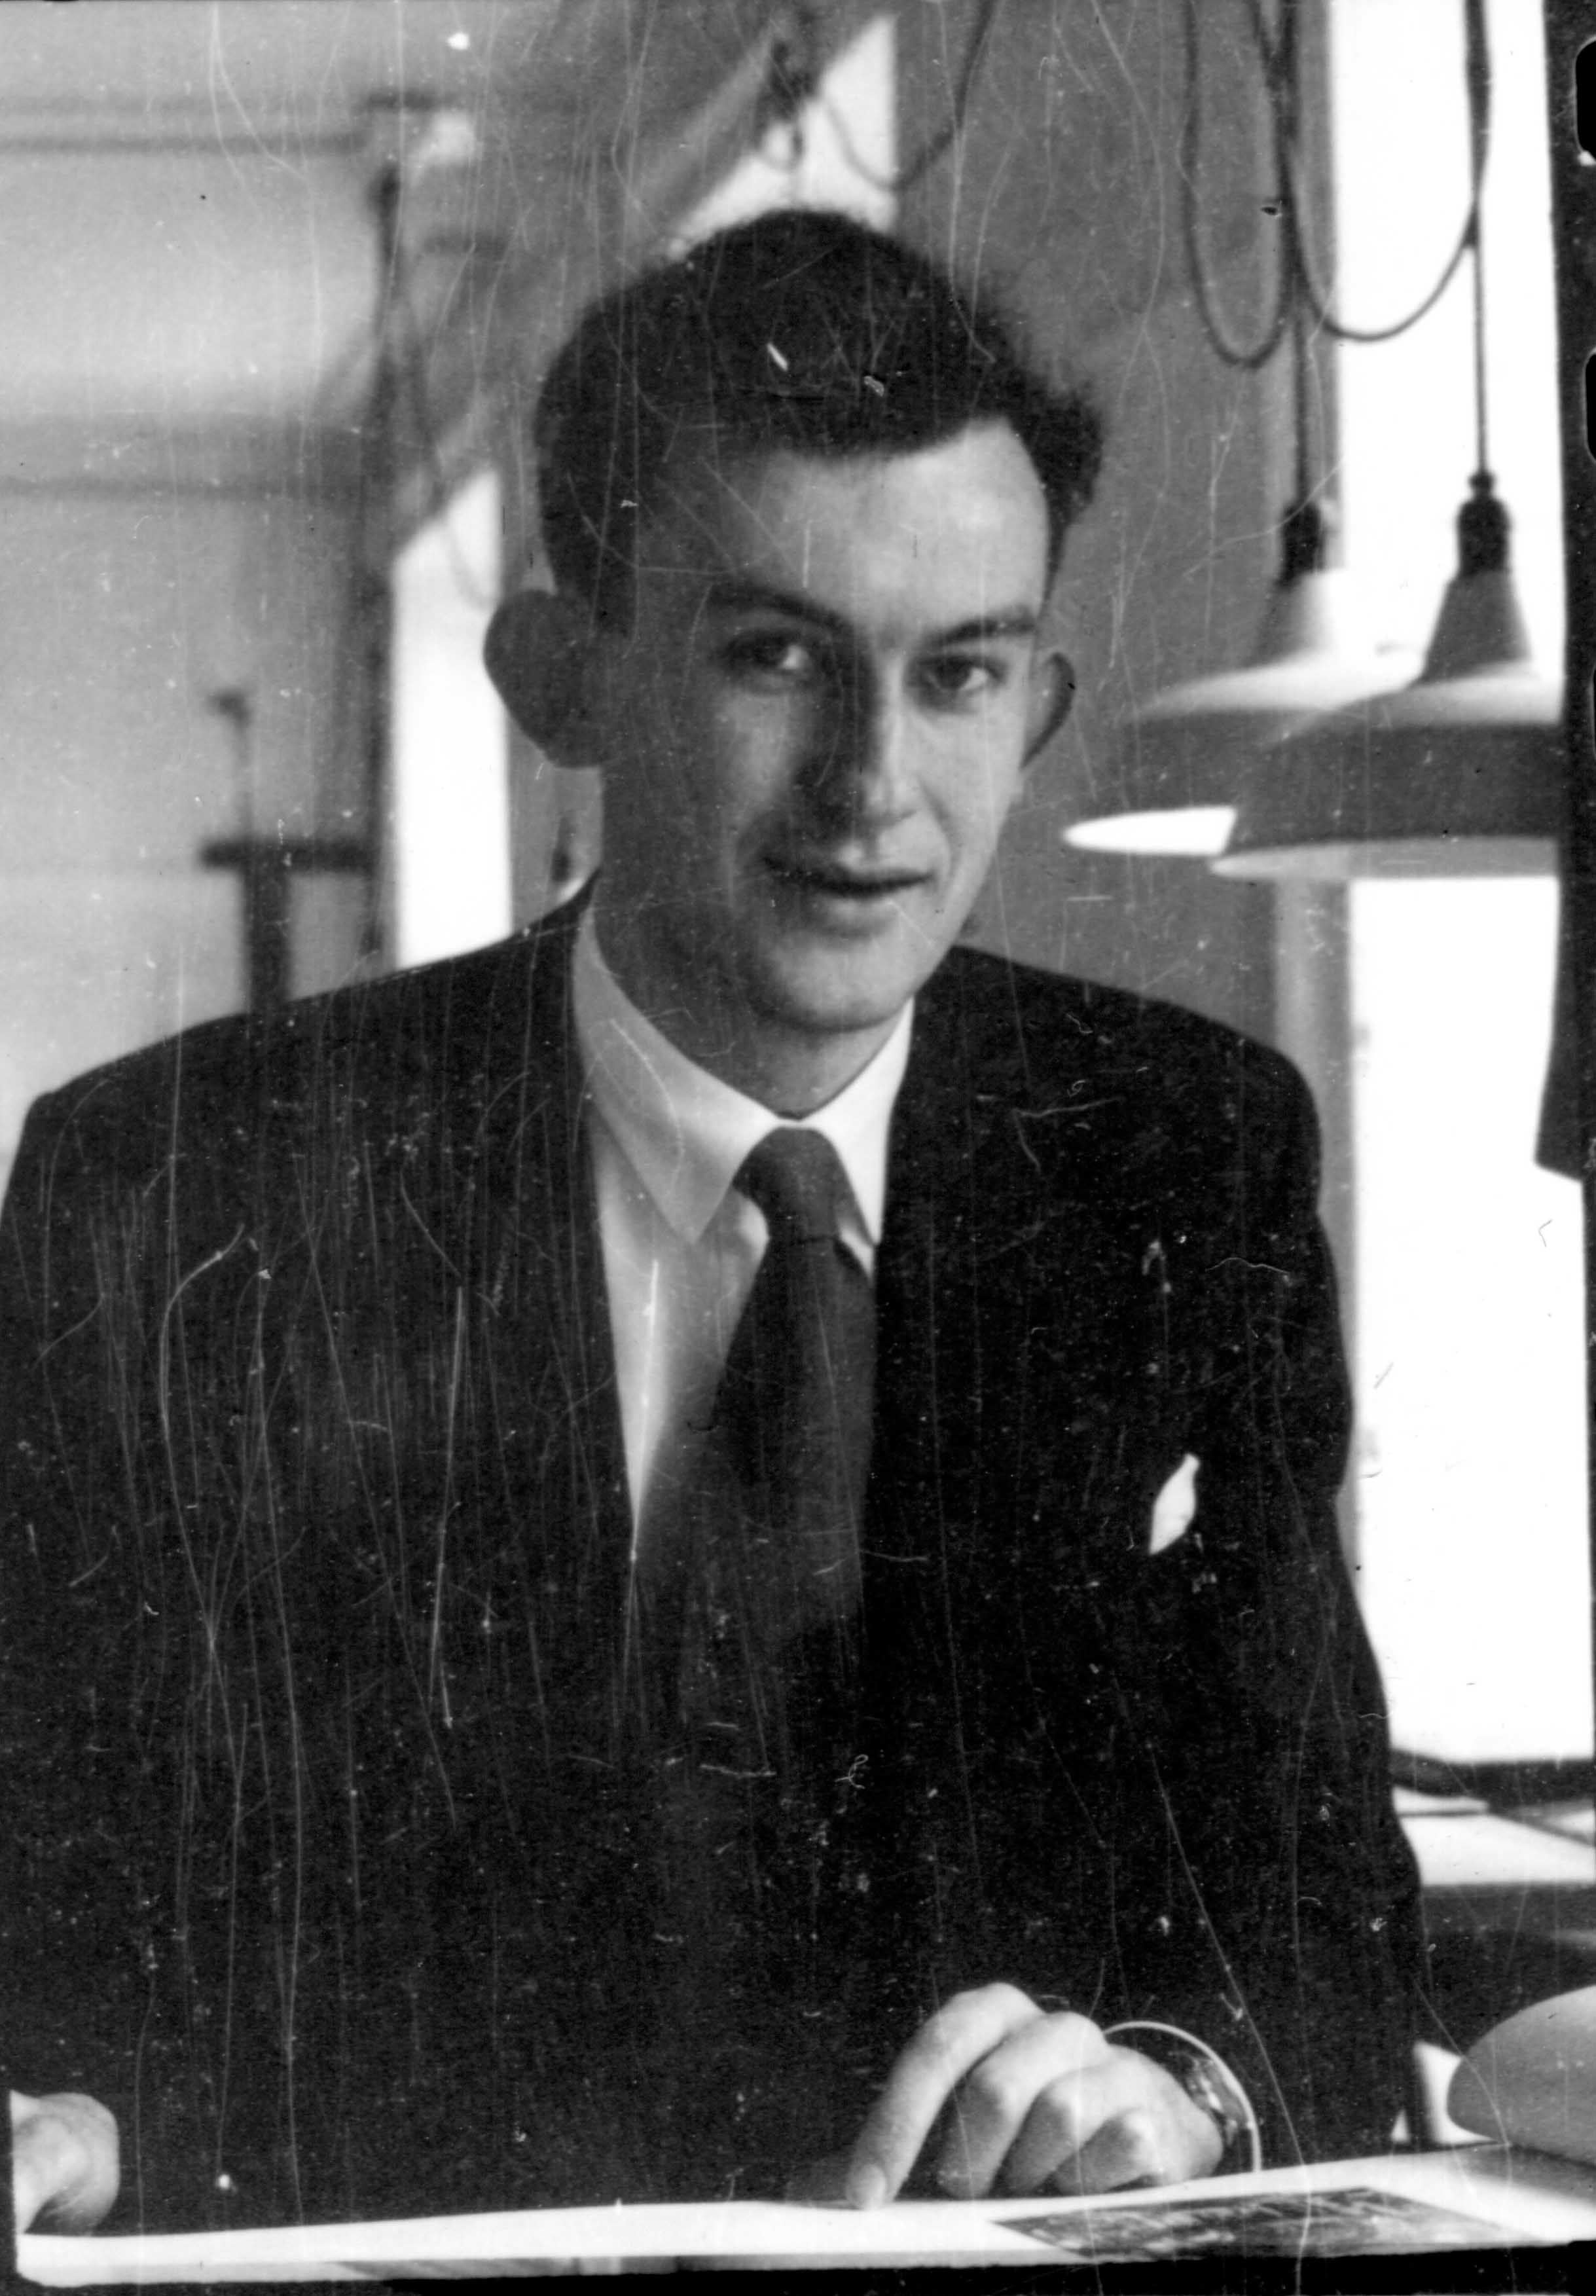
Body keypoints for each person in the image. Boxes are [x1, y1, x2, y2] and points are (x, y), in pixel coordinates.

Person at [2, 208, 1423, 2238]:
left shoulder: (1180, 1155)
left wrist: (1184, 2089)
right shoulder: (180, 1186)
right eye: (776, 655)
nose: (873, 784)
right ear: (559, 677)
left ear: (1037, 704)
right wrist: (70, 2102)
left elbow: (1330, 1910)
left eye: (959, 674)